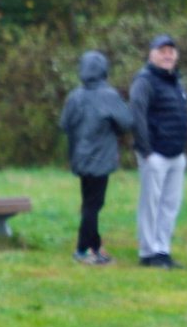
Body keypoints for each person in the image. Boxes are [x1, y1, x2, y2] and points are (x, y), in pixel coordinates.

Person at [57, 50, 136, 266]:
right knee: (93, 204)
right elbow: (127, 122)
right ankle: (86, 250)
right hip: (101, 159)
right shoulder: (108, 95)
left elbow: (64, 124)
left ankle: (91, 245)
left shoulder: (75, 96)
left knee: (89, 203)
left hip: (79, 157)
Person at [129, 33, 187, 269]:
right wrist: (146, 151)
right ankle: (148, 252)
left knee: (170, 204)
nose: (167, 55)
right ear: (151, 55)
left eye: (171, 51)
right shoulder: (144, 81)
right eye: (162, 51)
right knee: (150, 204)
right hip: (154, 154)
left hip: (176, 154)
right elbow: (137, 115)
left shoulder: (176, 81)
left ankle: (163, 250)